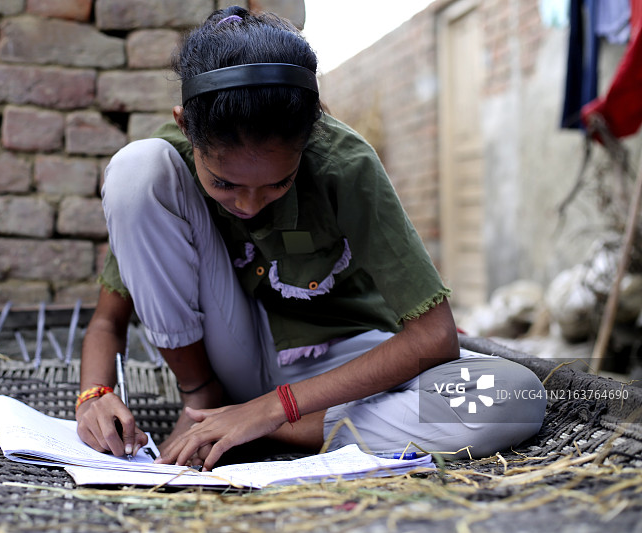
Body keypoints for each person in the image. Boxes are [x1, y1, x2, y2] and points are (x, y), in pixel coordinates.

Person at [75, 6, 546, 471]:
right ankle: (206, 402)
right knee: (135, 167)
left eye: (277, 184)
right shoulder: (168, 173)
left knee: (512, 397)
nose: (249, 205)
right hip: (227, 359)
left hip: (341, 366)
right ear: (185, 126)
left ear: (310, 135)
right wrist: (93, 397)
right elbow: (106, 323)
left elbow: (434, 336)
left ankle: (258, 427)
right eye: (224, 184)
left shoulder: (344, 164)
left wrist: (271, 410)